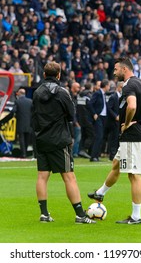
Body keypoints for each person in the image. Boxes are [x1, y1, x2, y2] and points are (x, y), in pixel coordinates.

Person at [88, 57, 141, 224]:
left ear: (124, 69)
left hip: (131, 136)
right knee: (116, 164)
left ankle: (136, 217)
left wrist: (127, 124)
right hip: (135, 134)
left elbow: (132, 106)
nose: (114, 72)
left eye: (116, 69)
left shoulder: (129, 85)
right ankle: (100, 193)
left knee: (134, 175)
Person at [32, 61, 95, 224]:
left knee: (42, 176)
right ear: (59, 75)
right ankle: (80, 215)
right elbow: (71, 114)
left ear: (45, 75)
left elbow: (35, 115)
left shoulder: (37, 92)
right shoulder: (62, 92)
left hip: (41, 138)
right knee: (69, 177)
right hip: (59, 139)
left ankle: (44, 214)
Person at [88, 79, 110, 162]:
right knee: (99, 136)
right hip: (99, 117)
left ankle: (96, 156)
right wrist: (94, 114)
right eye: (108, 85)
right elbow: (90, 103)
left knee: (100, 137)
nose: (109, 87)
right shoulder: (97, 93)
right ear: (106, 86)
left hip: (103, 117)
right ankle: (93, 156)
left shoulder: (103, 94)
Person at [14, 88, 33, 158]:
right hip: (29, 123)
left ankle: (23, 153)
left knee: (21, 139)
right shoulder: (30, 101)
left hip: (20, 123)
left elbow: (13, 111)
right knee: (27, 139)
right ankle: (25, 152)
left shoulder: (17, 101)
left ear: (19, 93)